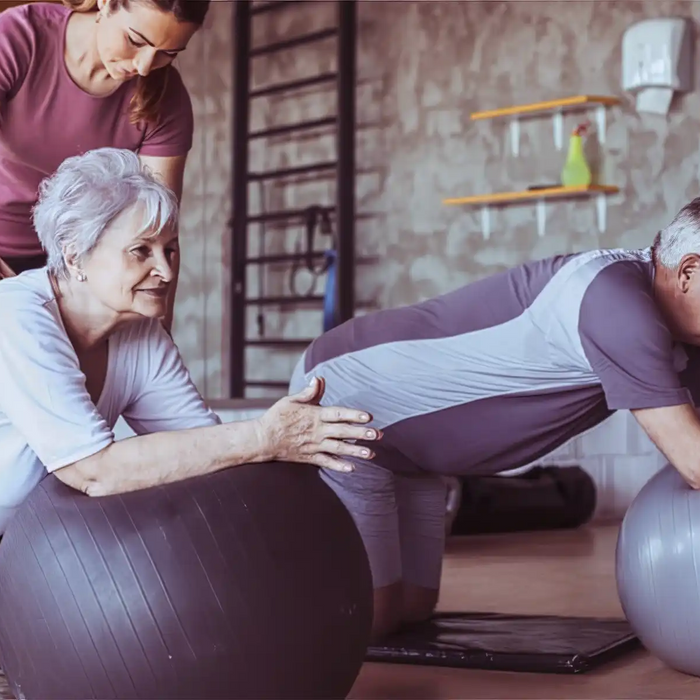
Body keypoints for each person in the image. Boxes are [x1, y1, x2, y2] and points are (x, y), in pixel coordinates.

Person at [290, 199, 700, 641]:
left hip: (416, 454)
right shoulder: (619, 307)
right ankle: (263, 612)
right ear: (689, 272)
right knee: (374, 620)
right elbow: (693, 461)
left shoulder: (682, 338)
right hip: (348, 399)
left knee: (413, 608)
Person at [0, 147, 381, 537]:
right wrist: (264, 436)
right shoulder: (16, 315)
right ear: (75, 256)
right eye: (141, 251)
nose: (165, 271)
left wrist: (287, 441)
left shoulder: (141, 330)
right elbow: (94, 471)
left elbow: (205, 450)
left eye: (171, 249)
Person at [0, 0, 208, 331]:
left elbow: (157, 229)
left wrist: (156, 337)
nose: (143, 66)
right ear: (107, 3)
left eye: (168, 53)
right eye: (136, 40)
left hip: (80, 270)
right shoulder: (20, 36)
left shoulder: (168, 103)